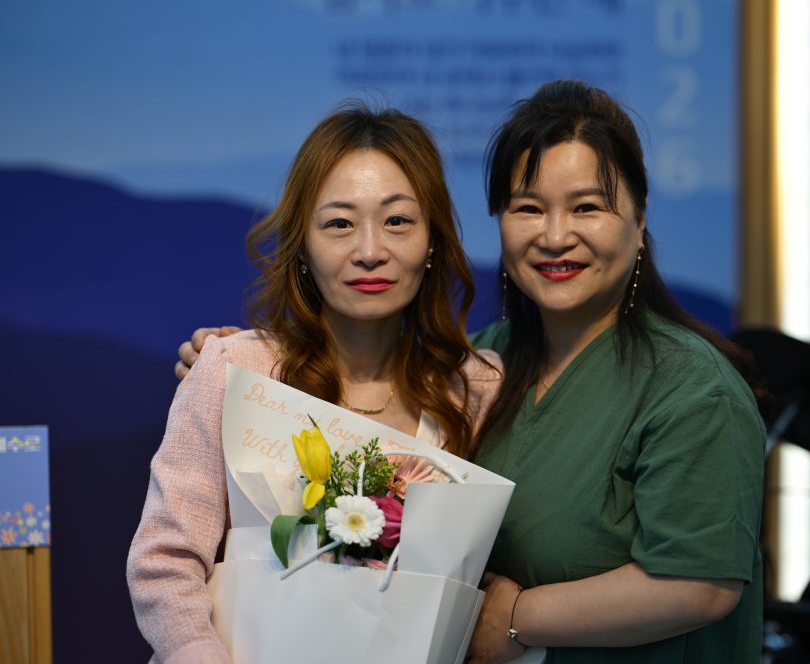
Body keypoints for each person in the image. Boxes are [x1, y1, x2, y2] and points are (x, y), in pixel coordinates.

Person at [177, 80, 767, 663]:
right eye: (528, 208)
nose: (555, 235)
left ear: (639, 221)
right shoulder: (477, 371)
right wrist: (241, 364)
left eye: (587, 207)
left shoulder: (691, 386)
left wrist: (514, 617)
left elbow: (702, 586)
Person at [127, 104, 501, 664]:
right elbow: (165, 561)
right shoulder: (236, 368)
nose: (370, 251)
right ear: (302, 243)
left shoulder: (475, 390)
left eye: (398, 221)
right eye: (339, 224)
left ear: (433, 242)